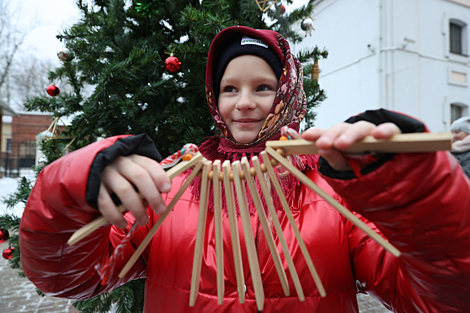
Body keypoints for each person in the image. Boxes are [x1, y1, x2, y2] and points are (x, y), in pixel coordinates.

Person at [19, 26, 470, 313]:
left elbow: (441, 299)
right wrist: (76, 185)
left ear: (288, 90)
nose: (245, 104)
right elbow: (68, 278)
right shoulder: (170, 185)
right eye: (230, 88)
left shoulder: (335, 190)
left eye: (264, 87)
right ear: (216, 98)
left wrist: (411, 192)